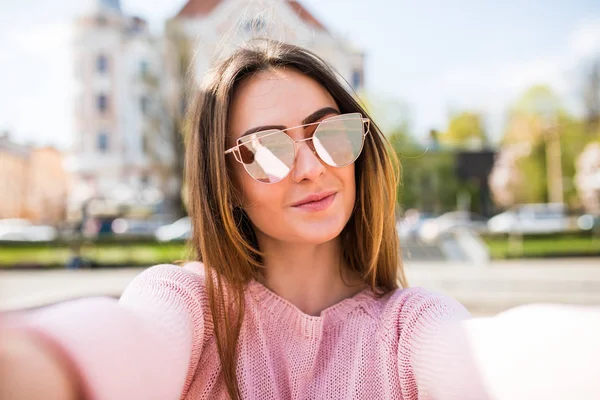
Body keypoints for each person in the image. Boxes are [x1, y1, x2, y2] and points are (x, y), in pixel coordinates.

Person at [1, 39, 600, 400]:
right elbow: (120, 343)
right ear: (226, 183)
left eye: (331, 133)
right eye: (266, 149)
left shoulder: (409, 327)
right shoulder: (191, 307)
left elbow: (492, 359)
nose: (313, 168)